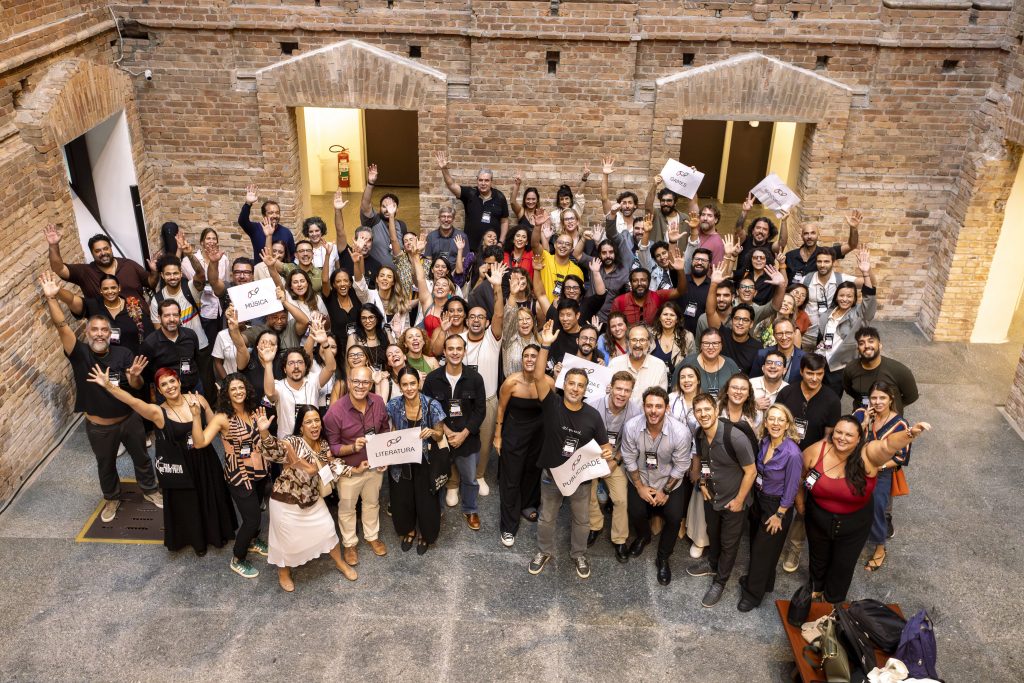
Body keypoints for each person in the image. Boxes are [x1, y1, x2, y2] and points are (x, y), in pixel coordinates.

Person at [41, 273, 161, 523]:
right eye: (94, 329)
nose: (99, 334)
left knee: (142, 458)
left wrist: (135, 376)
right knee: (105, 465)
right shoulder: (80, 353)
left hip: (129, 420)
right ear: (87, 332)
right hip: (100, 427)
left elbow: (136, 385)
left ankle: (150, 490)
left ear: (110, 333)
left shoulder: (123, 353)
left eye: (104, 330)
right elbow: (61, 325)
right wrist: (52, 298)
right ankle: (112, 498)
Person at [90, 365, 236, 555]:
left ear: (179, 382)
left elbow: (215, 424)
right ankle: (198, 540)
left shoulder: (198, 399)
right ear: (159, 390)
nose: (169, 386)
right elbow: (133, 401)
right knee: (190, 503)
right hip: (181, 464)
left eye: (172, 381)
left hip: (205, 459)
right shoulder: (158, 412)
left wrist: (223, 405)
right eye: (164, 384)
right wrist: (109, 386)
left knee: (211, 495)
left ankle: (217, 533)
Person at [796, 416, 929, 603]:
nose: (842, 438)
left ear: (859, 438)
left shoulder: (867, 454)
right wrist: (800, 505)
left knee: (843, 564)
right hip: (818, 517)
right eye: (839, 432)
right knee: (818, 555)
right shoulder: (816, 450)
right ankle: (816, 586)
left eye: (849, 435)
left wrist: (909, 434)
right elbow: (800, 477)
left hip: (854, 523)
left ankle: (832, 598)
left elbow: (887, 445)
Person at [529, 321, 615, 579]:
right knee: (546, 518)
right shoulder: (551, 404)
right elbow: (537, 377)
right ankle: (544, 551)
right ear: (563, 384)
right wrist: (545, 344)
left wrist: (607, 454)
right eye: (571, 383)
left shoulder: (593, 416)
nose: (575, 388)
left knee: (581, 520)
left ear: (585, 389)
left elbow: (606, 447)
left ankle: (579, 554)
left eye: (580, 385)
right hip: (551, 475)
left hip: (580, 479)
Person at [258, 405, 360, 590]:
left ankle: (340, 563)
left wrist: (355, 470)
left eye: (317, 420)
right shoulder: (293, 441)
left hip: (312, 498)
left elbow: (332, 465)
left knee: (328, 530)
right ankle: (283, 572)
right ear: (301, 426)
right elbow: (276, 451)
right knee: (286, 542)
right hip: (286, 501)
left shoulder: (323, 444)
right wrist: (265, 433)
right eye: (308, 422)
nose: (314, 425)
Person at [192, 373, 270, 579]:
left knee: (257, 510)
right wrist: (196, 416)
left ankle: (252, 540)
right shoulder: (222, 418)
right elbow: (200, 442)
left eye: (241, 387)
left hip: (260, 469)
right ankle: (238, 558)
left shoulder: (253, 410)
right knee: (252, 519)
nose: (238, 392)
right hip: (240, 475)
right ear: (226, 393)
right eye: (233, 389)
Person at [686, 393, 757, 608]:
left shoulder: (735, 437)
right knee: (713, 534)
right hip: (712, 496)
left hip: (734, 501)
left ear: (716, 410)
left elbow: (751, 472)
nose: (703, 414)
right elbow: (705, 462)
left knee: (729, 543)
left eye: (707, 409)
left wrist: (739, 500)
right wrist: (703, 482)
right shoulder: (700, 433)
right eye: (699, 411)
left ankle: (720, 582)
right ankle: (712, 563)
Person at [775, 353, 841, 573]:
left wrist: (812, 464)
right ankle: (773, 543)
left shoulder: (831, 400)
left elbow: (828, 438)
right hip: (784, 458)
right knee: (778, 501)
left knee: (803, 509)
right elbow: (776, 423)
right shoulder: (787, 393)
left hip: (811, 464)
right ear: (801, 371)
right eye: (810, 373)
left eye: (819, 374)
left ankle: (794, 549)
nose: (814, 378)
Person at [621, 387, 694, 585]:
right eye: (649, 406)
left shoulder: (680, 432)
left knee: (674, 517)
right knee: (635, 511)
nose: (653, 411)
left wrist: (666, 491)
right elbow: (629, 459)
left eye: (659, 406)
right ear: (643, 407)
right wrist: (639, 487)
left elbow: (681, 466)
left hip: (668, 481)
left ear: (667, 408)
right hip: (642, 478)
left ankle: (663, 556)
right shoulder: (631, 427)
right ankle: (644, 536)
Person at [737, 404, 803, 611]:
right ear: (765, 423)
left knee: (761, 551)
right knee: (761, 545)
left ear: (787, 425)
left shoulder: (792, 453)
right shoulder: (765, 442)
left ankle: (752, 595)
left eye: (780, 420)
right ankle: (764, 582)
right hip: (760, 498)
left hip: (777, 506)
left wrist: (779, 515)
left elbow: (792, 488)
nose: (775, 423)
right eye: (771, 419)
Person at [323, 365, 391, 564]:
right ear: (349, 382)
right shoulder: (335, 412)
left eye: (365, 382)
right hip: (349, 471)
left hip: (374, 466)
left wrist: (384, 457)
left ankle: (372, 536)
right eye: (356, 381)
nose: (360, 386)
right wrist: (352, 447)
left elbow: (384, 430)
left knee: (372, 503)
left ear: (371, 384)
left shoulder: (378, 402)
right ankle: (349, 543)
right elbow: (333, 448)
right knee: (347, 507)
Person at [423, 335, 486, 525]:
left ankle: (471, 509)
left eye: (459, 348)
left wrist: (464, 434)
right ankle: (438, 509)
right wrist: (446, 431)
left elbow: (480, 410)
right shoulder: (433, 379)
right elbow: (427, 408)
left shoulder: (475, 378)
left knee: (470, 479)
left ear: (464, 351)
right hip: (440, 436)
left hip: (467, 438)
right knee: (438, 476)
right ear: (444, 351)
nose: (455, 352)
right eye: (451, 349)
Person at [385, 367, 448, 555]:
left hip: (425, 460)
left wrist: (432, 432)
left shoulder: (432, 405)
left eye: (412, 383)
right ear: (399, 386)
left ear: (418, 383)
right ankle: (409, 530)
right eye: (405, 384)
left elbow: (440, 435)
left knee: (426, 500)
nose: (409, 388)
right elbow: (389, 429)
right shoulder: (393, 405)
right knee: (402, 498)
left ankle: (425, 534)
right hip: (401, 460)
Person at [459, 264, 507, 497]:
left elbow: (499, 314)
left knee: (485, 441)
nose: (476, 320)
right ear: (467, 321)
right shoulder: (457, 340)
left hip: (487, 399)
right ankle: (456, 481)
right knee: (459, 440)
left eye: (481, 317)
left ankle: (479, 476)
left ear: (487, 322)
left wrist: (497, 288)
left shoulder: (492, 338)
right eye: (472, 317)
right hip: (461, 400)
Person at [495, 345, 549, 545]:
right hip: (514, 433)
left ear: (540, 360)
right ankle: (508, 526)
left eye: (534, 356)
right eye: (526, 356)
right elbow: (501, 409)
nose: (530, 359)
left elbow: (552, 409)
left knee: (532, 471)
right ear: (522, 359)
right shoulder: (511, 382)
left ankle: (527, 505)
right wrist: (497, 436)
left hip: (538, 434)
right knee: (511, 477)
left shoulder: (548, 382)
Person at [585, 371, 642, 562]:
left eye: (627, 390)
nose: (622, 394)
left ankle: (619, 539)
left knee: (621, 499)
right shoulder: (592, 405)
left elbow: (630, 445)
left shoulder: (636, 412)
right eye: (619, 389)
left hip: (618, 458)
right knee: (588, 492)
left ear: (631, 392)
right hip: (592, 456)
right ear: (611, 387)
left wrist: (614, 462)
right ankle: (595, 526)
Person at [854, 382, 911, 572]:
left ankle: (879, 547)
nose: (877, 402)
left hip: (882, 471)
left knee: (877, 507)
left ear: (891, 399)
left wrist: (880, 466)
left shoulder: (900, 424)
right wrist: (864, 423)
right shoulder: (860, 414)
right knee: (853, 505)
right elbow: (848, 438)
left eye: (882, 398)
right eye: (874, 398)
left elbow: (901, 457)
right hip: (857, 468)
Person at [809, 247, 876, 396]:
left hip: (837, 366)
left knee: (830, 398)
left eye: (849, 296)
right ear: (836, 296)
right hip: (820, 360)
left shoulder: (859, 315)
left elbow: (869, 300)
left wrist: (866, 273)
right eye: (842, 295)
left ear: (854, 298)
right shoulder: (829, 312)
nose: (845, 299)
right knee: (813, 394)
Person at [262, 322, 336, 439]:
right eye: (291, 363)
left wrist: (325, 343)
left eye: (300, 362)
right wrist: (268, 363)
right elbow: (270, 393)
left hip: (313, 441)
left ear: (306, 367)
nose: (296, 366)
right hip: (288, 444)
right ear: (284, 369)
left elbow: (331, 368)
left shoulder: (313, 380)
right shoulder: (279, 386)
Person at [44, 223, 154, 300]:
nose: (103, 253)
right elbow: (59, 269)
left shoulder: (129, 265)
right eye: (97, 251)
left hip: (140, 320)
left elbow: (151, 282)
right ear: (92, 253)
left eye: (106, 249)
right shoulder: (85, 272)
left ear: (111, 248)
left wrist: (154, 271)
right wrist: (53, 245)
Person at [52, 273, 153, 355]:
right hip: (110, 363)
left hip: (136, 360)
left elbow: (149, 333)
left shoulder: (132, 306)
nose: (110, 291)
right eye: (105, 289)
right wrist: (58, 290)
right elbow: (72, 300)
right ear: (100, 290)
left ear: (119, 288)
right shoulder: (94, 306)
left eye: (113, 288)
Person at [436, 150, 510, 247]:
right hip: (471, 247)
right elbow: (451, 185)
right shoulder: (470, 193)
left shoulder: (499, 197)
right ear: (477, 181)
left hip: (492, 247)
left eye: (486, 180)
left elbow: (504, 221)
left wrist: (500, 242)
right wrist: (444, 169)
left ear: (491, 182)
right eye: (480, 180)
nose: (483, 183)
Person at [843, 326, 919, 414]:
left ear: (879, 345)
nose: (866, 346)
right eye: (861, 343)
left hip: (889, 419)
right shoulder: (850, 368)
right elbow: (849, 390)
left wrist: (893, 406)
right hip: (861, 416)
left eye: (871, 341)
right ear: (858, 349)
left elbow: (911, 397)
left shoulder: (899, 370)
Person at [142, 300, 203, 394]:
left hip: (194, 387)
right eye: (167, 315)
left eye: (175, 315)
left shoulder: (190, 335)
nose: (172, 319)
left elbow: (196, 359)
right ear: (159, 318)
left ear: (180, 316)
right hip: (168, 393)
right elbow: (147, 375)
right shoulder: (150, 343)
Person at [783, 211, 861, 284]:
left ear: (818, 235)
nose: (809, 236)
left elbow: (851, 245)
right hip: (793, 293)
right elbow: (783, 280)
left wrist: (853, 228)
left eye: (813, 233)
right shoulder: (790, 256)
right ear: (802, 236)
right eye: (806, 233)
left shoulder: (825, 253)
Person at [358, 163, 407, 270]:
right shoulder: (373, 220)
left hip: (395, 275)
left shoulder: (401, 226)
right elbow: (365, 205)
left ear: (397, 209)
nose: (387, 209)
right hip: (376, 273)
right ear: (379, 208)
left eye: (391, 206)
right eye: (384, 206)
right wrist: (370, 184)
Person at [608, 324, 669, 406]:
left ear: (649, 343)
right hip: (619, 412)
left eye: (642, 340)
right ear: (627, 342)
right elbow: (608, 393)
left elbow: (661, 398)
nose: (638, 345)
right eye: (634, 340)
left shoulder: (659, 366)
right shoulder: (615, 363)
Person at [611, 261, 688, 326]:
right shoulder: (620, 301)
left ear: (649, 282)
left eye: (643, 280)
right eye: (635, 281)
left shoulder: (657, 296)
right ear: (631, 283)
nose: (639, 283)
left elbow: (680, 291)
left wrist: (680, 270)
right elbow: (613, 325)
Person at [674, 328, 741, 400]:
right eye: (706, 343)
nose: (710, 347)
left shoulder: (730, 364)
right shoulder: (688, 363)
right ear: (701, 346)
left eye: (715, 343)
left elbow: (740, 390)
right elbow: (675, 392)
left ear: (721, 345)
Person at [239, 184, 296, 261]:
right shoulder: (256, 229)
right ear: (264, 215)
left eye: (277, 213)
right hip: (261, 267)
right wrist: (248, 204)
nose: (275, 215)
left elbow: (292, 256)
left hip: (280, 268)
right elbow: (242, 221)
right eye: (271, 213)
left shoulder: (286, 232)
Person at [750, 319, 806, 385]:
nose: (784, 337)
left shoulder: (804, 357)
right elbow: (753, 382)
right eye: (779, 333)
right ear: (774, 335)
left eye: (788, 333)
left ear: (794, 333)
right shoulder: (762, 355)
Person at [650, 301, 695, 370]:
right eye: (665, 314)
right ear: (659, 318)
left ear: (677, 320)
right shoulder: (650, 335)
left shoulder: (687, 337)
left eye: (672, 315)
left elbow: (692, 363)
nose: (668, 318)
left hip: (678, 376)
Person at [750, 350, 789, 418]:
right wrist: (752, 405)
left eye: (778, 363)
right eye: (769, 362)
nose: (773, 366)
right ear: (763, 368)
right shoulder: (750, 384)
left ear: (784, 370)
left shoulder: (789, 390)